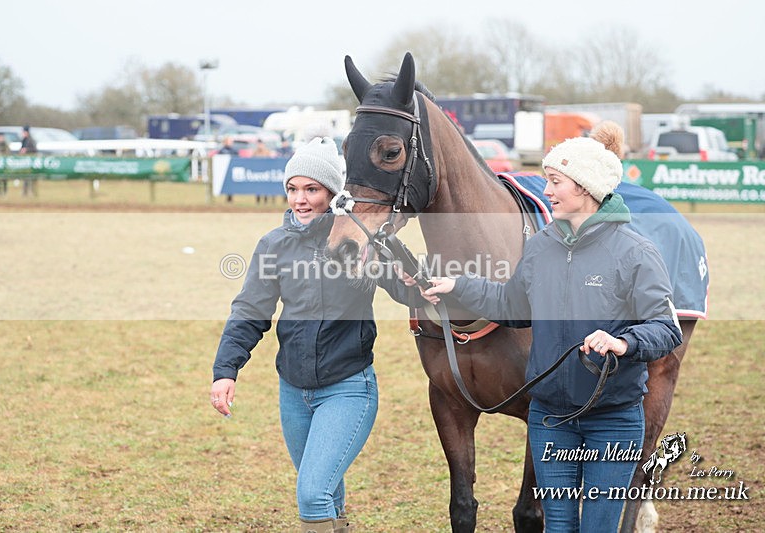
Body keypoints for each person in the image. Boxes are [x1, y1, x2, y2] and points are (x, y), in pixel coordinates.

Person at [414, 122, 683, 532]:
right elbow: (512, 304)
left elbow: (666, 329)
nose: (548, 191)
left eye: (555, 182)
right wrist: (458, 287)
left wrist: (624, 342)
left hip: (611, 419)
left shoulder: (636, 252)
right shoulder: (542, 246)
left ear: (586, 188)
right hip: (549, 419)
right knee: (556, 527)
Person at [210, 136, 417, 532]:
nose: (300, 199)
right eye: (292, 188)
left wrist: (398, 260)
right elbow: (250, 312)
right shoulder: (273, 245)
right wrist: (225, 370)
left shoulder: (360, 240)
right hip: (293, 391)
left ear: (333, 193)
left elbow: (408, 290)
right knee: (327, 492)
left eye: (312, 189)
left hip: (348, 388)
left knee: (311, 494)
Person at [19, 125, 37, 197]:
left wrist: (26, 150)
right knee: (25, 177)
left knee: (31, 178)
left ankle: (32, 192)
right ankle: (25, 192)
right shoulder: (24, 140)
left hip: (31, 162)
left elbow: (34, 150)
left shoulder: (31, 140)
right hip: (25, 161)